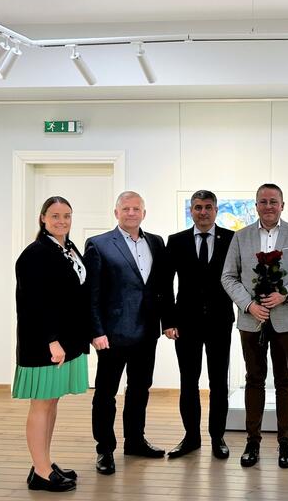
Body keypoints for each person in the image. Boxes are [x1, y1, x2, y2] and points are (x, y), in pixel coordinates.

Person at [220, 183, 288, 469]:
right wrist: (249, 305)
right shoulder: (241, 237)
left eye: (274, 201)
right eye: (263, 201)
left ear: (282, 205)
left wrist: (285, 294)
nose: (269, 206)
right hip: (252, 320)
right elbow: (228, 276)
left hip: (285, 319)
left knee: (285, 379)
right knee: (254, 379)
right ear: (256, 206)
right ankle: (253, 441)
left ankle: (285, 441)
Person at [84, 191, 172, 475]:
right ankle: (105, 449)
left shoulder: (156, 242)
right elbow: (91, 294)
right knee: (106, 394)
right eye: (126, 209)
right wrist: (96, 331)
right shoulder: (99, 244)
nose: (131, 213)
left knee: (139, 390)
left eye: (136, 209)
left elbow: (162, 287)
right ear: (116, 213)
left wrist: (167, 322)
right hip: (112, 335)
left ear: (144, 213)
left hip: (147, 333)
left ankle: (135, 441)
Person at [13, 196, 90, 492]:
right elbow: (33, 304)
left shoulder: (67, 248)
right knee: (41, 404)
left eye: (66, 215)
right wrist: (52, 341)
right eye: (55, 216)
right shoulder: (35, 254)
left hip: (66, 340)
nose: (62, 221)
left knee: (52, 402)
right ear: (43, 218)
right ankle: (42, 472)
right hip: (45, 343)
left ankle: (42, 464)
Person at [164, 190, 235, 459]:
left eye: (207, 207)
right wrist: (168, 321)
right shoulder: (177, 241)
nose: (203, 212)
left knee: (219, 382)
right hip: (186, 324)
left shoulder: (231, 239)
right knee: (188, 382)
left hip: (220, 321)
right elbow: (165, 284)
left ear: (216, 210)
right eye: (197, 207)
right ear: (191, 211)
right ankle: (191, 437)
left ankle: (218, 437)